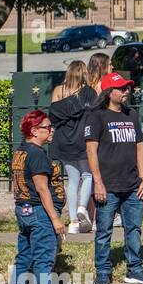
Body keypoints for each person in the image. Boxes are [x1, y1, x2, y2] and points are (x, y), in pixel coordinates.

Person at [85, 73, 143, 284]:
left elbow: (140, 147)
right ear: (109, 92)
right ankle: (103, 271)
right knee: (104, 230)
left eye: (128, 88)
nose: (127, 92)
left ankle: (135, 269)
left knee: (133, 228)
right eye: (122, 88)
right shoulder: (96, 116)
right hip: (107, 187)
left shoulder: (131, 114)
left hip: (132, 186)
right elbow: (91, 150)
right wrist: (98, 182)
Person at [6, 110, 68, 284]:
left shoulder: (20, 152)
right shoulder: (37, 153)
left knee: (23, 259)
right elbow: (42, 189)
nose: (51, 131)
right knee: (43, 261)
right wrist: (56, 219)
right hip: (39, 211)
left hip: (23, 210)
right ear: (34, 131)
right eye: (47, 128)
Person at [49, 61, 96, 234]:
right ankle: (82, 208)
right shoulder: (89, 92)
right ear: (84, 73)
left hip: (63, 139)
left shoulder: (57, 91)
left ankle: (73, 221)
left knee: (72, 179)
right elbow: (94, 114)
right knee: (87, 175)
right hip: (82, 138)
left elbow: (53, 117)